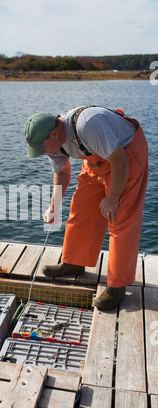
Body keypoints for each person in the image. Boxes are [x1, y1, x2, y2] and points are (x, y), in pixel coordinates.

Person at [24, 106, 148, 310]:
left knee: (119, 217)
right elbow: (62, 172)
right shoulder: (53, 142)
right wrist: (54, 206)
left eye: (42, 148)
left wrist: (113, 197)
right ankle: (74, 262)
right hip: (96, 159)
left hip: (126, 154)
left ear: (54, 133)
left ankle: (117, 285)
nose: (41, 153)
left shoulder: (89, 125)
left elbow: (120, 161)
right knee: (81, 208)